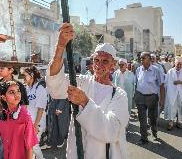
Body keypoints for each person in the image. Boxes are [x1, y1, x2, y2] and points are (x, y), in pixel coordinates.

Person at [46, 23, 129, 159]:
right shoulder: (81, 82)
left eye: (105, 61)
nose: (99, 64)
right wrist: (60, 47)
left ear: (113, 65)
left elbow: (111, 131)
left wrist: (85, 102)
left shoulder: (119, 95)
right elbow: (55, 83)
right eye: (96, 60)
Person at [0, 81, 38, 159]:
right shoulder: (4, 114)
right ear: (4, 97)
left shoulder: (24, 116)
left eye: (18, 91)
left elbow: (29, 147)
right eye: (12, 92)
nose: (17, 95)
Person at [135, 52, 165, 144]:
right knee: (142, 119)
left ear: (149, 59)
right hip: (140, 96)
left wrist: (162, 100)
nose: (141, 59)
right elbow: (137, 83)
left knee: (153, 118)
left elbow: (161, 86)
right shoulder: (138, 69)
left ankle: (154, 134)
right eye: (140, 58)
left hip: (152, 98)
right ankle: (143, 138)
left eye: (143, 58)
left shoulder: (156, 70)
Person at [21, 66, 48, 159]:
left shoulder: (40, 88)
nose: (23, 78)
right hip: (29, 123)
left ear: (32, 75)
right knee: (29, 146)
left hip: (37, 123)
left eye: (25, 75)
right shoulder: (27, 89)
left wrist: (35, 125)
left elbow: (41, 109)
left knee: (33, 146)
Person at [164, 57, 182, 130]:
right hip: (172, 93)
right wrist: (173, 83)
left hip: (181, 93)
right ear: (175, 64)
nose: (179, 66)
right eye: (178, 64)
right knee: (172, 108)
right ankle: (170, 123)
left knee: (180, 107)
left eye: (181, 64)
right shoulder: (170, 72)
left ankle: (178, 122)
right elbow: (166, 83)